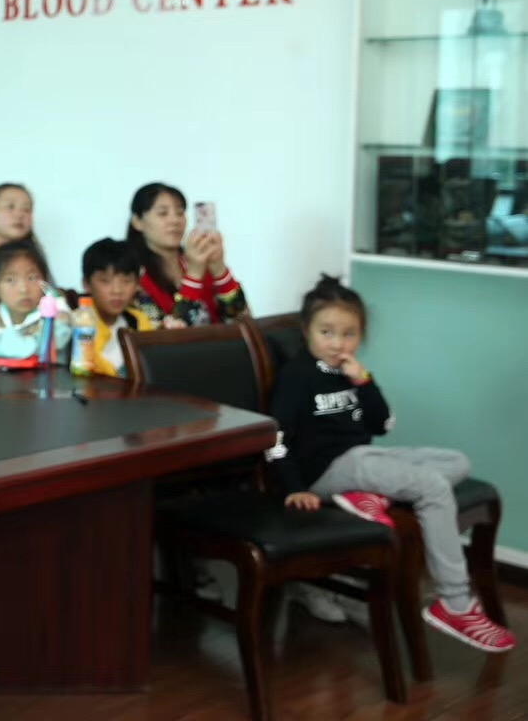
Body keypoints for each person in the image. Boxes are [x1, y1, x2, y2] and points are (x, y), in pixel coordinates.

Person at [272, 276, 514, 653]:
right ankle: (454, 603)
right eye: (326, 332)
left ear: (360, 335)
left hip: (363, 461)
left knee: (457, 462)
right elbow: (275, 437)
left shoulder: (352, 373)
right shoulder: (297, 375)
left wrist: (364, 382)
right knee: (431, 486)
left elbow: (381, 425)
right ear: (306, 331)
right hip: (323, 474)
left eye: (349, 334)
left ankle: (371, 495)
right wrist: (295, 488)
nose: (337, 343)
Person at [126, 182, 247, 325]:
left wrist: (219, 268)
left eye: (180, 213)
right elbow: (166, 334)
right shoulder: (132, 275)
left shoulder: (197, 262)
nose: (175, 220)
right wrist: (194, 276)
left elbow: (245, 322)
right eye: (162, 213)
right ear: (137, 222)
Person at [72, 238, 156, 378]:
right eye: (105, 281)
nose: (117, 290)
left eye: (126, 281)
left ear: (137, 284)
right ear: (86, 284)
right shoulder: (79, 322)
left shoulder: (138, 320)